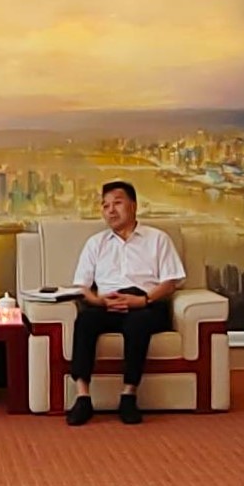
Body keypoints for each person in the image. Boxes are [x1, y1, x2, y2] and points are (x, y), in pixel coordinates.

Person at [64, 181, 185, 427]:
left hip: (146, 303)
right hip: (107, 303)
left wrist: (143, 300)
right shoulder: (95, 243)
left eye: (117, 203)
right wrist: (98, 301)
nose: (111, 210)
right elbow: (81, 287)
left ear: (133, 206)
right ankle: (83, 397)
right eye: (105, 205)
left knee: (138, 324)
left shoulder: (157, 239)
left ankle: (129, 395)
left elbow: (171, 282)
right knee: (85, 321)